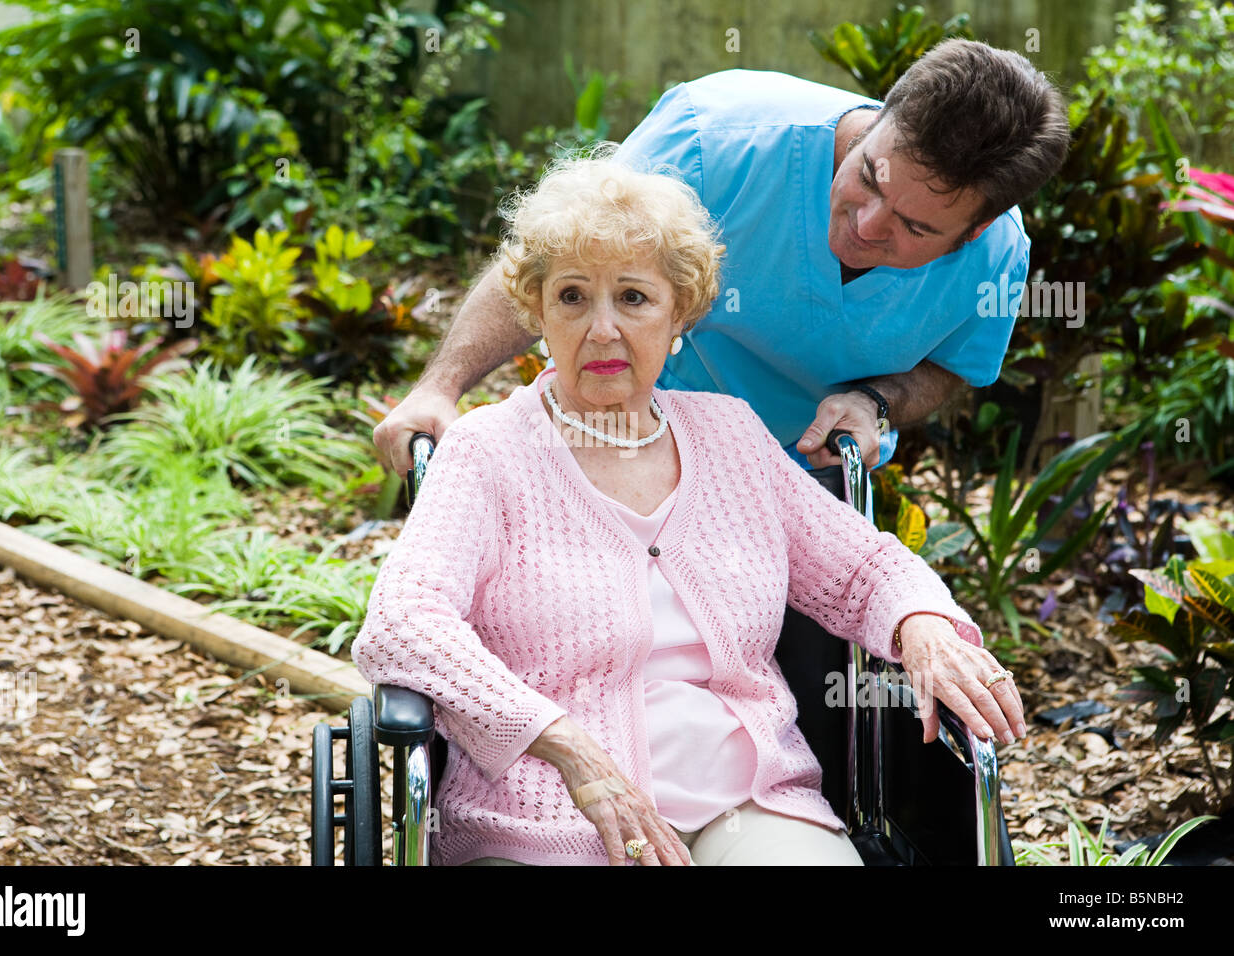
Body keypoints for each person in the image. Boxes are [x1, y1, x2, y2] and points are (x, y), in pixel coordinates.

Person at [351, 156, 1026, 866]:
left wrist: (923, 626)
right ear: (538, 311)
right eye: (573, 296)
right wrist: (566, 746)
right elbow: (403, 624)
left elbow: (865, 567)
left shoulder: (730, 436)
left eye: (634, 298)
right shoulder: (487, 454)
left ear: (680, 314)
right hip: (548, 822)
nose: (603, 329)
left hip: (752, 807)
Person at [371, 38, 1070, 481]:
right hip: (616, 435)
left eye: (913, 226)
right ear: (879, 117)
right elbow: (556, 255)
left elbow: (947, 366)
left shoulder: (997, 258)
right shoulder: (716, 137)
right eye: (871, 176)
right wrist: (442, 386)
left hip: (795, 474)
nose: (864, 224)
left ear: (974, 231)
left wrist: (874, 401)